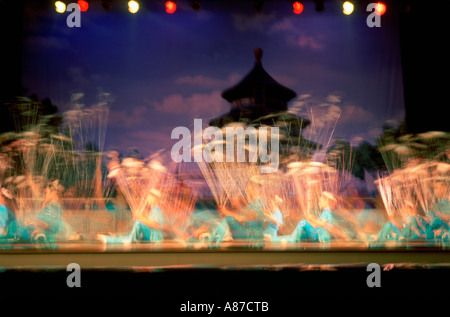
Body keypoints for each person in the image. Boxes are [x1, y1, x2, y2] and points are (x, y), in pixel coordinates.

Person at [97, 188, 169, 244]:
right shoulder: (154, 209)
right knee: (138, 222)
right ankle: (122, 237)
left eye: (149, 197)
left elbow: (155, 225)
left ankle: (126, 239)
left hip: (154, 239)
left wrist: (140, 218)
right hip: (152, 237)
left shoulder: (156, 209)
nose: (147, 199)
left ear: (155, 198)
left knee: (138, 222)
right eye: (147, 197)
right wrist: (141, 217)